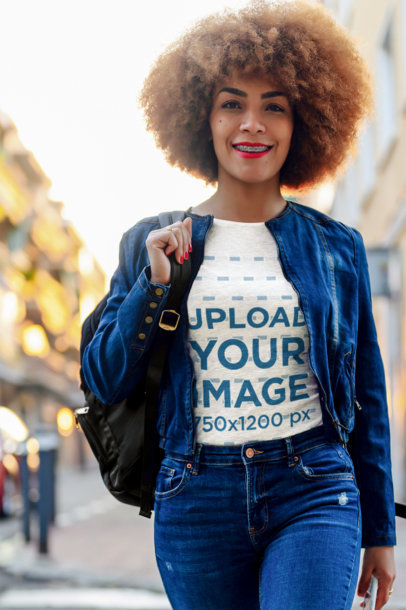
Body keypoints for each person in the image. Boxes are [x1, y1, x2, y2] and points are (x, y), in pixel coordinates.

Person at [82, 1, 397, 608]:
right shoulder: (149, 239)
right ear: (203, 117)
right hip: (195, 495)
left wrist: (380, 531)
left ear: (302, 122)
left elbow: (367, 394)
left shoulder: (337, 248)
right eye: (233, 103)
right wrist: (152, 284)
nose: (252, 124)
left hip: (314, 487)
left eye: (273, 107)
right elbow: (103, 376)